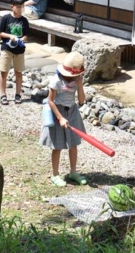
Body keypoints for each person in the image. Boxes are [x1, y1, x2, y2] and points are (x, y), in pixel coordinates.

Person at [40, 51, 88, 187]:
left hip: (72, 111)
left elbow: (82, 101)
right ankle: (55, 174)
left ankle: (73, 172)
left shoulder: (77, 80)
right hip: (58, 112)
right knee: (58, 145)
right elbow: (50, 101)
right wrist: (60, 118)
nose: (70, 78)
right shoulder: (56, 80)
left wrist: (79, 85)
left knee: (73, 144)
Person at [0, 0, 30, 105]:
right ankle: (3, 95)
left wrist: (22, 39)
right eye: (19, 7)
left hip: (19, 49)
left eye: (22, 7)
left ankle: (18, 94)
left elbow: (26, 36)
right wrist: (10, 36)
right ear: (12, 7)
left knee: (19, 72)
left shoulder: (24, 20)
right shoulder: (6, 18)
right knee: (4, 72)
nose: (21, 9)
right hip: (7, 48)